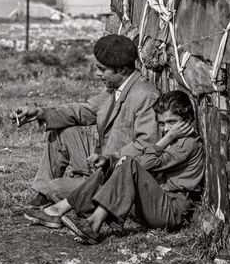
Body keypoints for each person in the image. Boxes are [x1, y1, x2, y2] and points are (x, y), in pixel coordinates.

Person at [29, 90, 204, 245]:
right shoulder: (173, 139)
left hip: (170, 210)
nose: (166, 129)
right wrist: (110, 161)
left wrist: (167, 138)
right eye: (162, 124)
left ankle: (93, 223)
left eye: (172, 122)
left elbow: (145, 163)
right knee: (114, 164)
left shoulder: (187, 143)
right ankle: (59, 209)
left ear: (187, 120)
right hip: (154, 201)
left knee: (129, 164)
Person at [13, 34, 160, 213]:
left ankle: (89, 199)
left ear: (121, 70)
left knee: (56, 188)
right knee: (62, 132)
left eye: (102, 69)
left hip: (116, 175)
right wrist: (41, 113)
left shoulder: (145, 95)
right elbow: (85, 110)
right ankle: (43, 196)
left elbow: (146, 145)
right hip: (100, 161)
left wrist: (111, 158)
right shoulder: (116, 90)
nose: (97, 74)